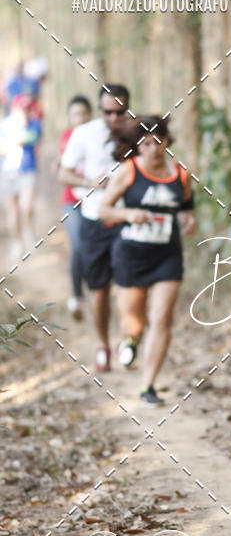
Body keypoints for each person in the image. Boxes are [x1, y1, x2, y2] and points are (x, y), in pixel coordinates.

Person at [98, 115, 195, 405]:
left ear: (167, 141)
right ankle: (131, 339)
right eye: (146, 142)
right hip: (132, 255)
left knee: (161, 318)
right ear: (137, 146)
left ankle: (147, 387)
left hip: (167, 254)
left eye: (158, 141)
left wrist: (188, 220)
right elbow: (103, 209)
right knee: (135, 321)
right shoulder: (128, 172)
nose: (153, 148)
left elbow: (187, 207)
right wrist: (128, 215)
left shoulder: (180, 174)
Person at [59, 84, 130, 371]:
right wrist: (89, 183)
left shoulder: (138, 134)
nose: (113, 118)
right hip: (92, 219)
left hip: (127, 220)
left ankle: (127, 342)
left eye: (119, 112)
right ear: (100, 110)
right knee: (99, 290)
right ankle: (103, 345)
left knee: (129, 286)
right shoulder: (84, 133)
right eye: (107, 112)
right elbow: (63, 173)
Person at [57, 96, 93, 320]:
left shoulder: (99, 136)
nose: (79, 118)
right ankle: (76, 297)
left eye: (83, 113)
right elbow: (65, 167)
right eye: (75, 114)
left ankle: (96, 290)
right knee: (78, 244)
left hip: (96, 202)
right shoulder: (68, 137)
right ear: (70, 118)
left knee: (91, 247)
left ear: (90, 115)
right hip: (72, 202)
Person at [0, 92, 42, 259]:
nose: (24, 112)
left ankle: (28, 231)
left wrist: (12, 141)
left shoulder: (34, 125)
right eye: (21, 109)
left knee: (27, 206)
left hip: (27, 170)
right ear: (14, 108)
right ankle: (17, 241)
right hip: (7, 172)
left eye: (27, 109)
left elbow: (31, 139)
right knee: (13, 211)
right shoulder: (3, 125)